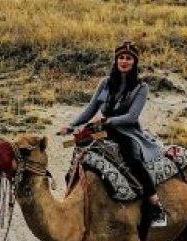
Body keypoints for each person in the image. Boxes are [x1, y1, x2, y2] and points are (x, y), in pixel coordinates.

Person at [58, 40, 167, 226]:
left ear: (134, 62)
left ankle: (155, 203)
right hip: (102, 130)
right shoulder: (105, 83)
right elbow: (91, 109)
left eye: (128, 58)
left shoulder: (141, 87)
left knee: (131, 158)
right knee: (79, 149)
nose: (124, 61)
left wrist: (107, 121)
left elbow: (132, 117)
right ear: (116, 61)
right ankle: (73, 198)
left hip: (126, 131)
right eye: (121, 58)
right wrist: (71, 126)